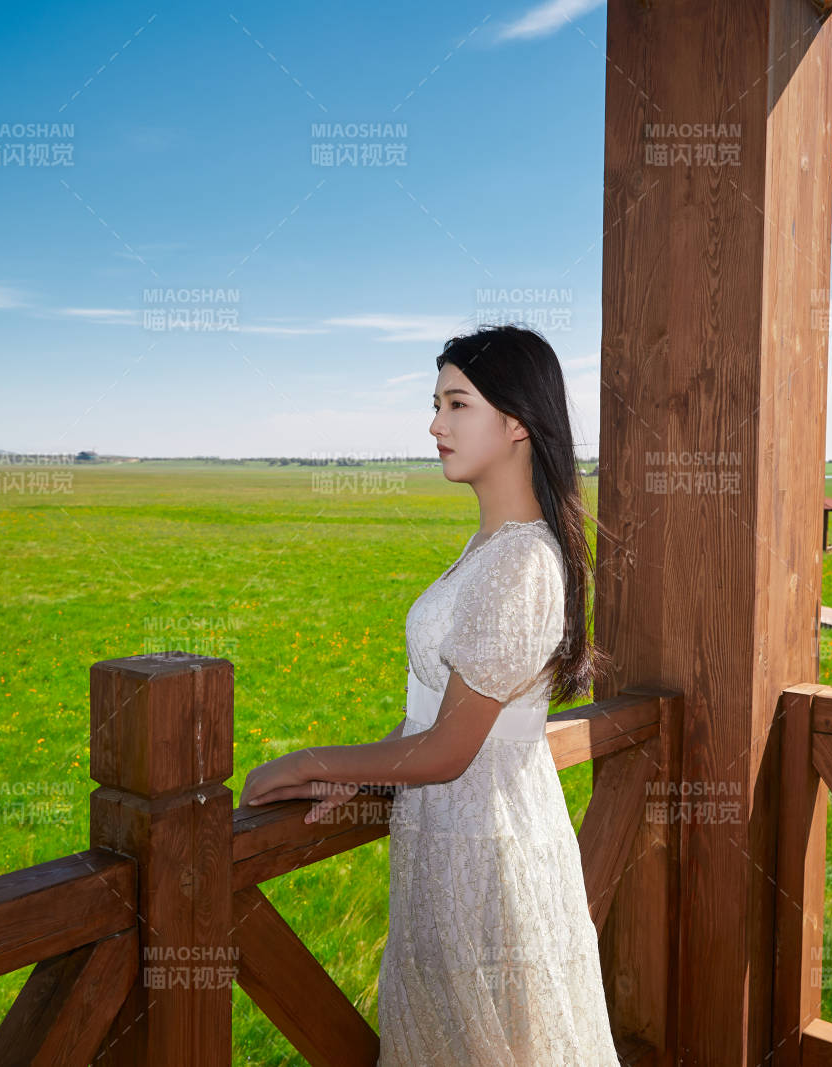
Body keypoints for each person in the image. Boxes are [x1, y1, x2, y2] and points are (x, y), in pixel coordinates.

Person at [240, 324, 621, 1065]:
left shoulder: (520, 562)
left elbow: (448, 750)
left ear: (517, 422)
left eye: (457, 404)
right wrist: (358, 774)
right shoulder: (491, 547)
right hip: (453, 839)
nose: (435, 424)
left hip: (483, 853)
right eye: (436, 404)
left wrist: (308, 761)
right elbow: (434, 715)